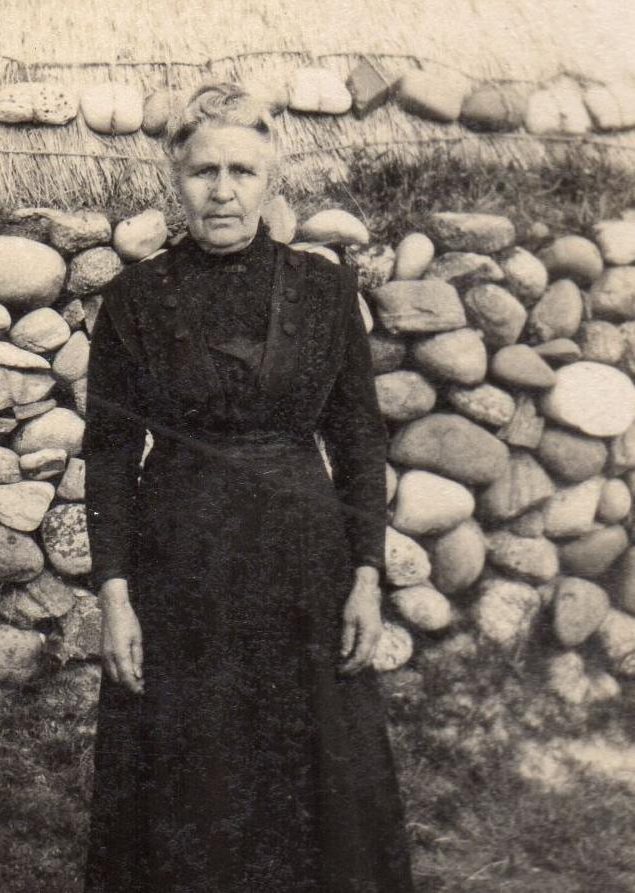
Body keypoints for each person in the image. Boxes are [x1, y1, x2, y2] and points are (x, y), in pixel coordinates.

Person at [81, 81, 415, 893]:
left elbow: (358, 440)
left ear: (270, 182)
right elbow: (109, 457)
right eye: (203, 172)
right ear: (175, 179)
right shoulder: (134, 299)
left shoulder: (322, 288)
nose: (222, 190)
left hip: (302, 556)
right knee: (189, 761)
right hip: (180, 560)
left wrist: (366, 573)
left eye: (240, 171)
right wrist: (116, 595)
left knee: (314, 764)